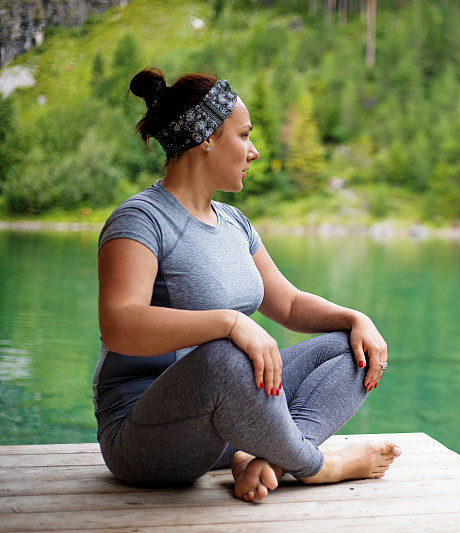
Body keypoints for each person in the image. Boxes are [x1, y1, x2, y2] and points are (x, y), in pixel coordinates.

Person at [93, 67, 401, 503]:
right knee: (223, 354)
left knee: (350, 346)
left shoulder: (235, 222)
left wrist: (357, 318)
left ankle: (267, 457)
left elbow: (289, 304)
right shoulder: (140, 219)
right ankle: (317, 465)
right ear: (207, 139)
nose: (254, 151)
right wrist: (230, 324)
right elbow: (120, 325)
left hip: (224, 424)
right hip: (144, 438)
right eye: (244, 135)